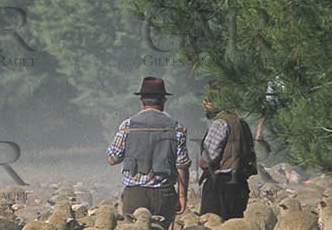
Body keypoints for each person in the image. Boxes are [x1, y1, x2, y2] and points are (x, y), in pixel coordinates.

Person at [107, 76, 190, 220]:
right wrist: (182, 196)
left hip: (135, 195)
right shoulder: (177, 128)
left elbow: (112, 159)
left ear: (141, 101)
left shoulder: (127, 126)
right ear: (164, 100)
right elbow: (182, 166)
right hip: (164, 195)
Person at [199, 81, 257, 221]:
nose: (205, 103)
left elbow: (208, 160)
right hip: (239, 186)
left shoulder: (220, 123)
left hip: (220, 187)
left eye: (208, 100)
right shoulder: (242, 123)